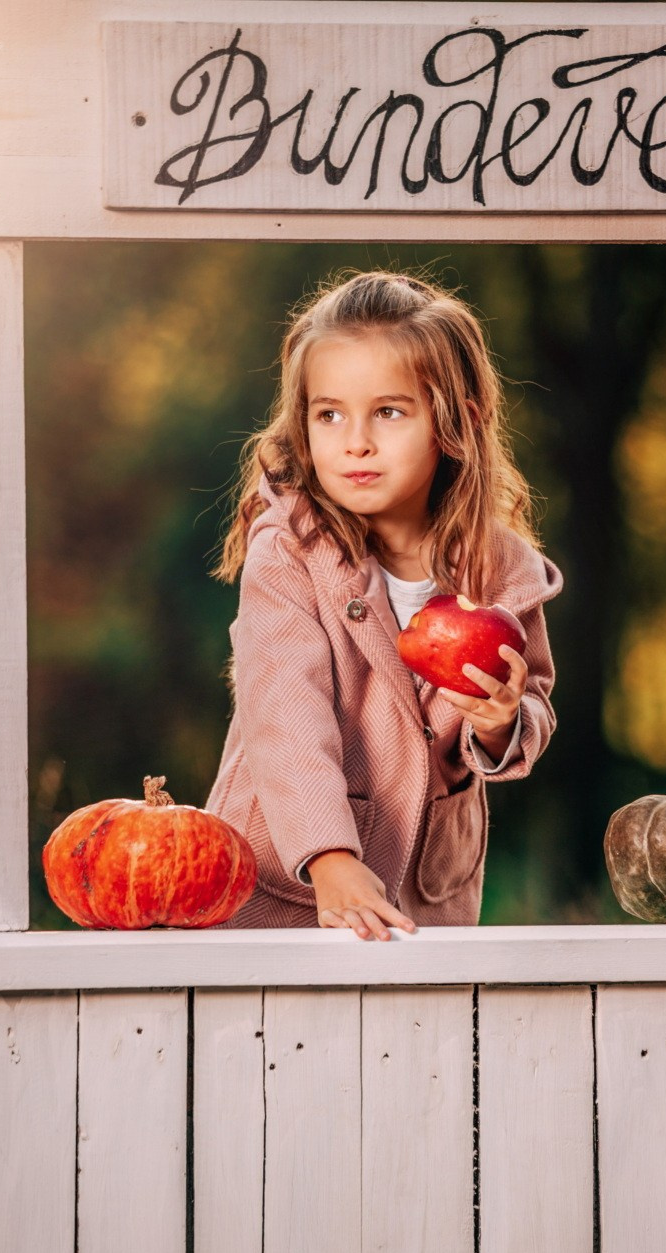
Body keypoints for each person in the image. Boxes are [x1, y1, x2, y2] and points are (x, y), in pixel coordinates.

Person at [206, 270, 562, 940]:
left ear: (457, 422)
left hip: (423, 895)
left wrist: (502, 721)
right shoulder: (289, 552)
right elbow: (284, 712)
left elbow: (534, 696)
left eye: (389, 412)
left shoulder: (502, 571)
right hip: (286, 886)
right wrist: (329, 857)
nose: (356, 442)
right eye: (329, 414)